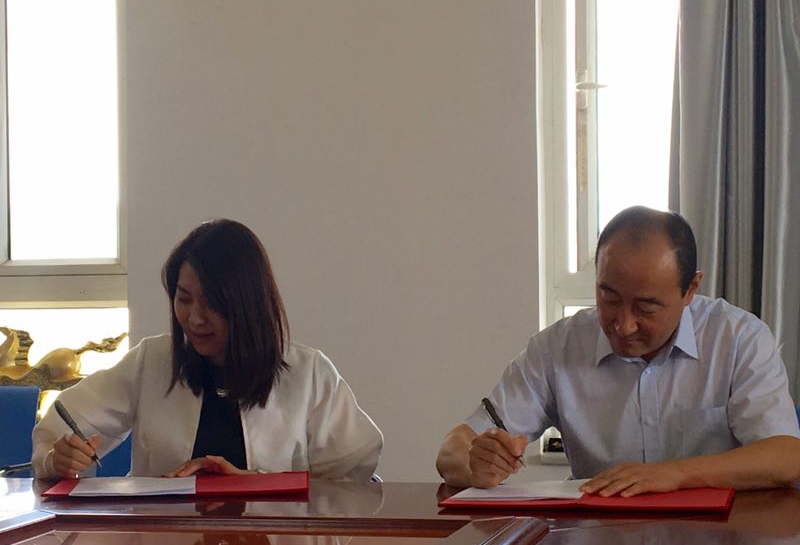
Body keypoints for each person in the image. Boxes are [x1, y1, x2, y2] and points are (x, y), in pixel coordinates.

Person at [436, 206, 800, 495]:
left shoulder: (737, 339)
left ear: (690, 289)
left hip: (718, 541)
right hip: (597, 540)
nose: (623, 326)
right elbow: (452, 449)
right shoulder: (557, 348)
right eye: (609, 298)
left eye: (646, 307)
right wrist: (475, 464)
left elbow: (785, 456)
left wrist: (676, 474)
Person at [32, 219, 382, 480]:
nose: (195, 318)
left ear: (247, 304)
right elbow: (62, 425)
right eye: (183, 299)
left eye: (212, 302)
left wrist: (255, 483)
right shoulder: (151, 362)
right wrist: (58, 459)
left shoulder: (308, 374)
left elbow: (353, 479)